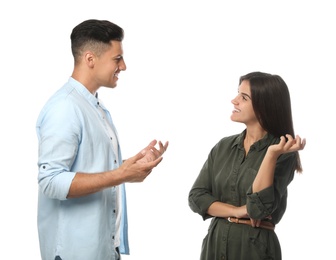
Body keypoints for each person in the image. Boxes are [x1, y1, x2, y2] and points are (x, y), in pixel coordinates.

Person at [36, 19, 169, 260]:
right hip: (74, 254)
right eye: (117, 59)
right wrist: (121, 175)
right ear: (90, 59)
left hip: (103, 249)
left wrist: (131, 165)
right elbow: (51, 181)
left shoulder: (94, 107)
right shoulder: (65, 108)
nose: (124, 66)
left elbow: (92, 169)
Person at [188, 71, 306, 260]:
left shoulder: (283, 153)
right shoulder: (223, 146)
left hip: (254, 248)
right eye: (237, 94)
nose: (234, 101)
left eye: (243, 97)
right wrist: (236, 211)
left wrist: (270, 154)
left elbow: (258, 208)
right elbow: (196, 197)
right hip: (215, 244)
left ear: (264, 106)